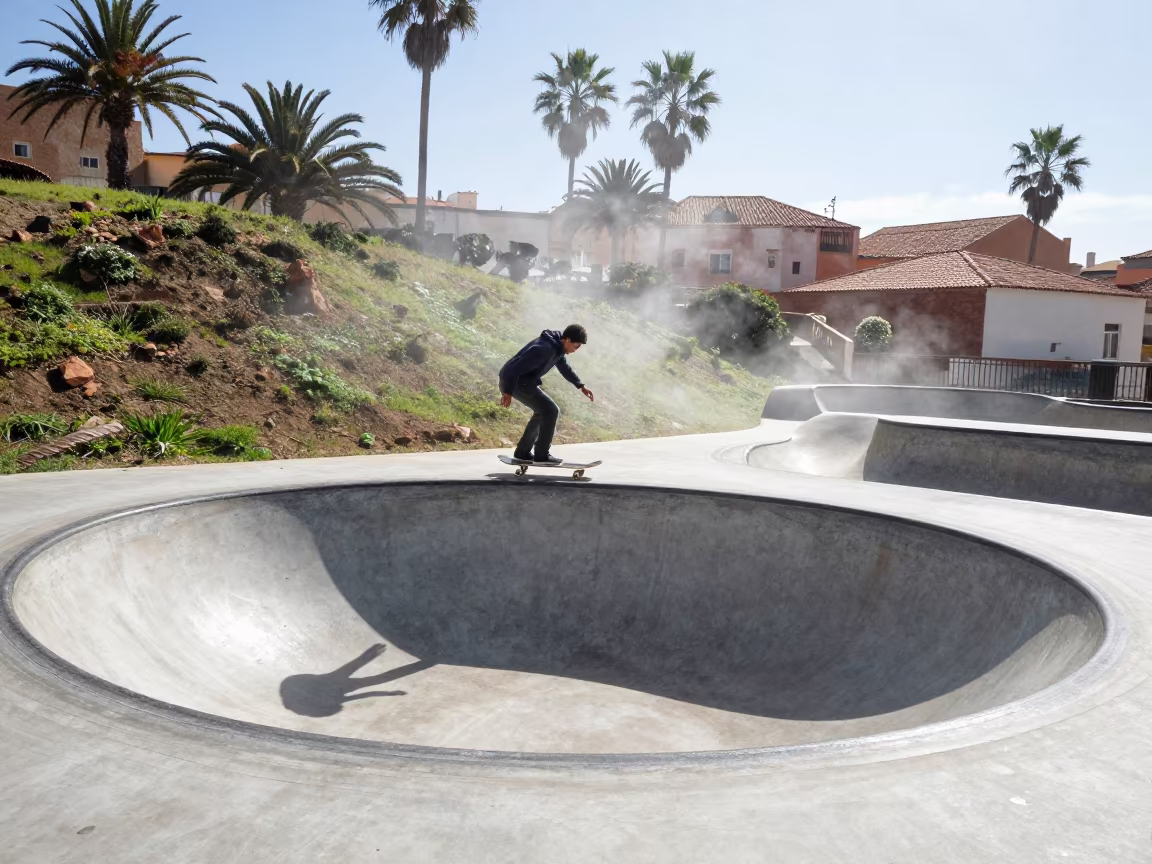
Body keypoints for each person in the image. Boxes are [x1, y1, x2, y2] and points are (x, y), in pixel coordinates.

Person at [499, 324, 594, 464]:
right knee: (551, 410)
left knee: (542, 412)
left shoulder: (556, 348)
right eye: (576, 346)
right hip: (515, 383)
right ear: (567, 340)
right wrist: (507, 391)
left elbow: (565, 368)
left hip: (524, 383)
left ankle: (522, 452)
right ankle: (542, 454)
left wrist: (580, 385)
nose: (576, 350)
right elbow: (510, 370)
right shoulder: (543, 349)